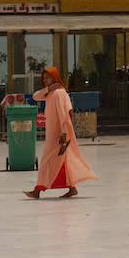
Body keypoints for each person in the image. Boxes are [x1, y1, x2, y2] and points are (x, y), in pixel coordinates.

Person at [24, 67, 97, 199]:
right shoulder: (52, 92)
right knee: (63, 161)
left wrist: (63, 133)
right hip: (55, 133)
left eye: (48, 77)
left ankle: (37, 190)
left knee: (47, 161)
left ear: (55, 77)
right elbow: (35, 96)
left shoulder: (58, 93)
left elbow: (65, 114)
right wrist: (48, 89)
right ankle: (72, 188)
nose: (46, 80)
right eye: (44, 78)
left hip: (58, 135)